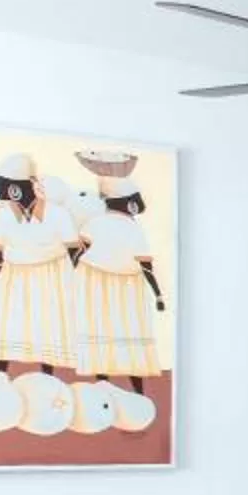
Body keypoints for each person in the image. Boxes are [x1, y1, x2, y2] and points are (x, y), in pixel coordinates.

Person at [0, 153, 81, 377]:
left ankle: (50, 383)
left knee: (47, 333)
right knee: (6, 330)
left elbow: (74, 254)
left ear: (17, 187)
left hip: (51, 281)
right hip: (12, 282)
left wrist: (66, 283)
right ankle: (0, 380)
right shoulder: (0, 218)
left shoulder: (59, 214)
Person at [71, 152, 164, 393]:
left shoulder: (94, 223)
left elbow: (76, 255)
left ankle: (104, 386)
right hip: (126, 289)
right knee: (129, 335)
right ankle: (137, 392)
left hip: (97, 285)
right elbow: (146, 265)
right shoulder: (132, 229)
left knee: (100, 332)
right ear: (129, 202)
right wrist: (158, 294)